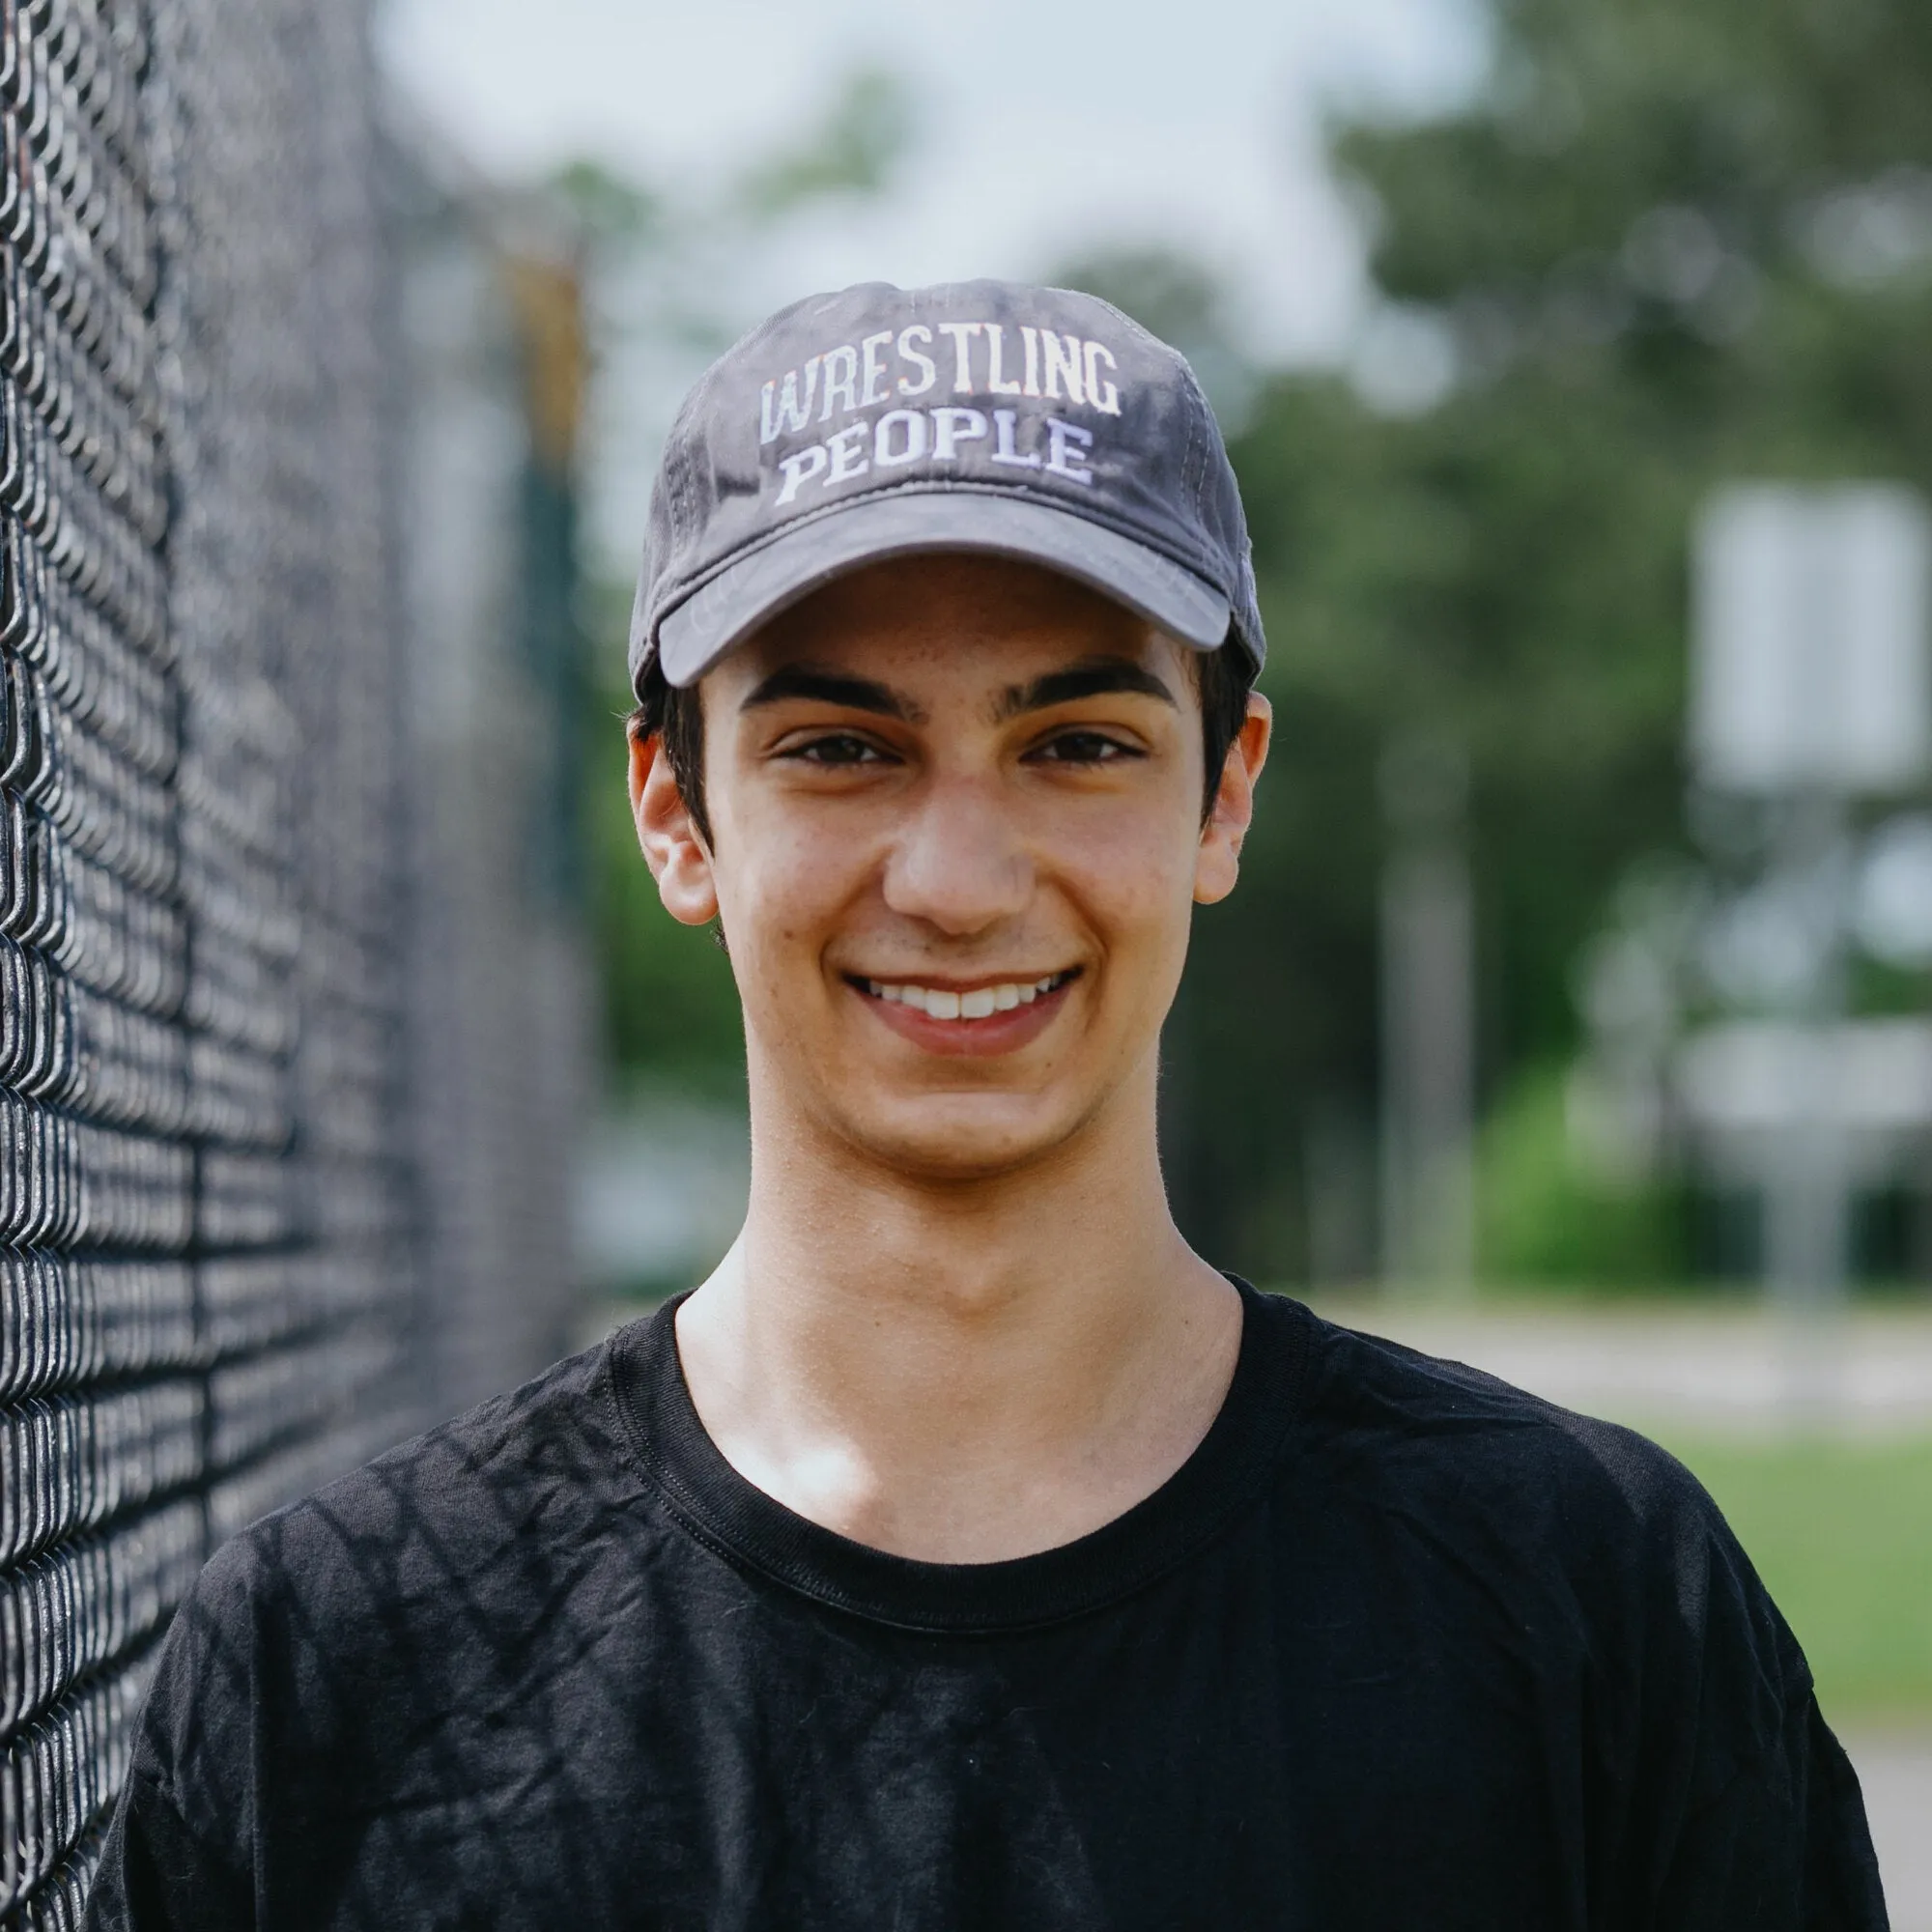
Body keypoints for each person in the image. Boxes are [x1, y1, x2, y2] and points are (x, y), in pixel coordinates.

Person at [88, 280, 1886, 1930]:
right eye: (841, 748)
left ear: (1224, 795)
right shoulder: (352, 1660)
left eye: (1079, 744)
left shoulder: (1583, 1603)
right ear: (675, 809)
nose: (955, 878)